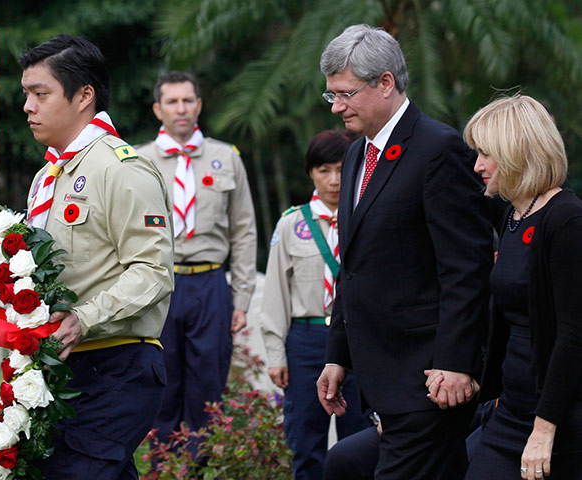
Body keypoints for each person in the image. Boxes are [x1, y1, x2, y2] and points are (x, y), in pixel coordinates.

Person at [315, 24, 493, 479]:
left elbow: (465, 269)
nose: (336, 106)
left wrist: (454, 363)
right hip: (379, 380)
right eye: (331, 95)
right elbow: (353, 266)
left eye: (346, 94)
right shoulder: (357, 155)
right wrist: (338, 354)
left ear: (386, 83)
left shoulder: (439, 148)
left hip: (428, 382)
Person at [20, 34, 174, 479]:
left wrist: (83, 319)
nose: (28, 107)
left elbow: (153, 271)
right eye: (27, 95)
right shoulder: (47, 176)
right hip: (64, 368)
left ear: (84, 95)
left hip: (117, 365)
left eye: (40, 94)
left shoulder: (122, 168)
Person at [460, 95, 582, 480]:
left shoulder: (566, 219)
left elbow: (574, 334)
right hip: (509, 412)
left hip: (557, 421)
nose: (477, 165)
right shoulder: (513, 215)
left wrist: (545, 429)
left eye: (486, 154)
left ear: (517, 152)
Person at [137, 71, 257, 446]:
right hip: (159, 285)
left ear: (199, 105)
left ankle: (202, 465)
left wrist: (242, 298)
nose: (181, 109)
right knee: (162, 383)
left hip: (209, 284)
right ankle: (163, 466)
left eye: (188, 100)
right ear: (158, 109)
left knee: (208, 386)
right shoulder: (138, 161)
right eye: (171, 101)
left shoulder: (226, 157)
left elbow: (244, 230)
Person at [260, 130, 369, 480]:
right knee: (306, 443)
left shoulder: (369, 216)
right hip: (306, 343)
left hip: (359, 340)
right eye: (324, 170)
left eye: (341, 169)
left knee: (362, 440)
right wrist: (276, 354)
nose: (334, 180)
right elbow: (275, 292)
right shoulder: (292, 224)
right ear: (310, 172)